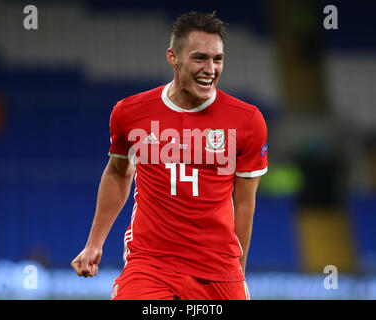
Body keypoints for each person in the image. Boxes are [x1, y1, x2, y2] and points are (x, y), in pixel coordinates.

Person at [71, 11, 268, 300]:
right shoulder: (130, 113)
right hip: (150, 264)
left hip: (217, 270)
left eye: (218, 59)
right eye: (200, 58)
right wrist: (94, 243)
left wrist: (238, 273)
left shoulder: (247, 121)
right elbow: (118, 172)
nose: (210, 68)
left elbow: (244, 202)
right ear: (173, 58)